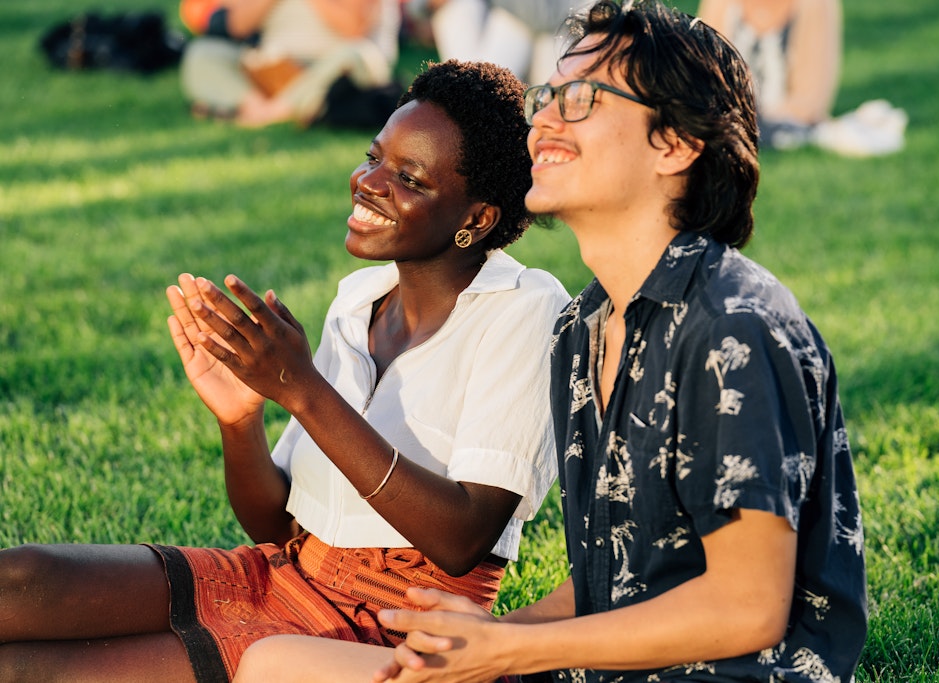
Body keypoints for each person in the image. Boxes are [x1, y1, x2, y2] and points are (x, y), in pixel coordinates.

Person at [231, 1, 869, 681]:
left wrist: (511, 652)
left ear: (676, 145)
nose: (543, 120)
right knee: (278, 662)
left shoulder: (734, 326)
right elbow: (615, 579)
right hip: (600, 669)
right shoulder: (581, 329)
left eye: (583, 97)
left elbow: (748, 608)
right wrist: (485, 638)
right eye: (549, 94)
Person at [0, 59, 570, 682]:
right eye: (374, 156)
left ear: (477, 219)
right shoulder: (360, 300)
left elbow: (463, 539)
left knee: (34, 671)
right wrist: (240, 420)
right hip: (285, 574)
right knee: (20, 578)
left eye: (408, 178)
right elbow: (276, 524)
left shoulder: (525, 310)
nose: (369, 182)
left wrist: (302, 388)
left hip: (385, 625)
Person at [180, 0, 401, 127]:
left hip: (339, 68)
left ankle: (271, 112)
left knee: (355, 54)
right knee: (203, 53)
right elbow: (237, 26)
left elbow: (353, 28)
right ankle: (256, 105)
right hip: (278, 69)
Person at [697, 0, 841, 149]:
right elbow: (706, 77)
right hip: (727, 118)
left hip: (788, 124)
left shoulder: (814, 5)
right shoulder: (720, 4)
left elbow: (811, 102)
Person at [408, 0, 595, 86]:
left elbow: (546, 16)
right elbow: (418, 7)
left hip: (561, 25)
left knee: (553, 94)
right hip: (509, 19)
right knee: (457, 7)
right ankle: (467, 87)